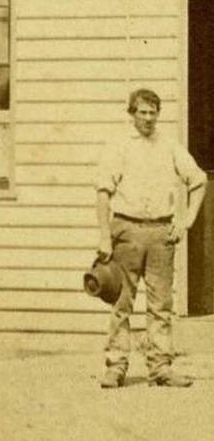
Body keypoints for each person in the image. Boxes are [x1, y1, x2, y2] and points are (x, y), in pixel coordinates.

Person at [96, 88, 206, 388]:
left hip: (161, 233)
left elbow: (198, 180)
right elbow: (104, 192)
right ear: (132, 113)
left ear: (158, 114)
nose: (147, 118)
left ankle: (160, 368)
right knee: (122, 301)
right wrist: (105, 236)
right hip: (126, 231)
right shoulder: (118, 145)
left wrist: (186, 220)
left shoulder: (169, 145)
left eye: (152, 112)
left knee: (161, 304)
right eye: (142, 112)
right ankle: (116, 366)